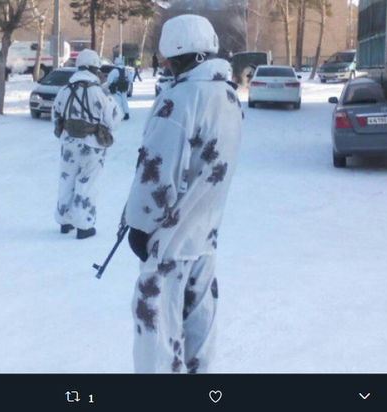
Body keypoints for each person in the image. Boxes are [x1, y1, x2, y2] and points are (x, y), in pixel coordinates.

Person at [124, 14, 244, 373]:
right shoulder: (228, 97)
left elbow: (157, 174)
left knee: (157, 337)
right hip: (204, 237)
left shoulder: (179, 100)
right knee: (199, 330)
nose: (166, 66)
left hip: (169, 243)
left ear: (176, 56)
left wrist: (139, 227)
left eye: (169, 59)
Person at [52, 49, 121, 239]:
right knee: (87, 183)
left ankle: (64, 220)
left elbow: (55, 115)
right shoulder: (99, 92)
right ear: (94, 68)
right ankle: (84, 225)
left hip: (68, 143)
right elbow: (114, 121)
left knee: (66, 180)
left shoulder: (65, 90)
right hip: (93, 146)